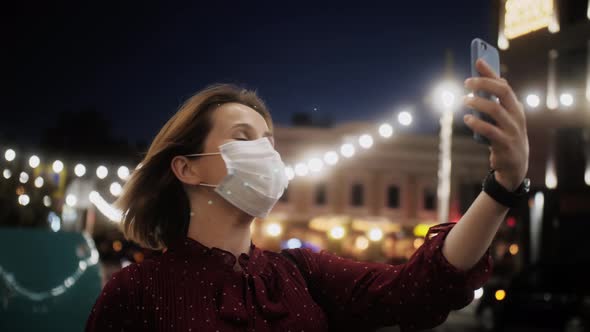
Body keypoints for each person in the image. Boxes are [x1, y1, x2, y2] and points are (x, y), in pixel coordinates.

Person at [85, 59, 529, 332]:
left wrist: (502, 185)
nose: (266, 154)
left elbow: (418, 287)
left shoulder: (302, 273)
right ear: (187, 167)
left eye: (269, 141)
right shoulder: (136, 292)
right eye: (245, 137)